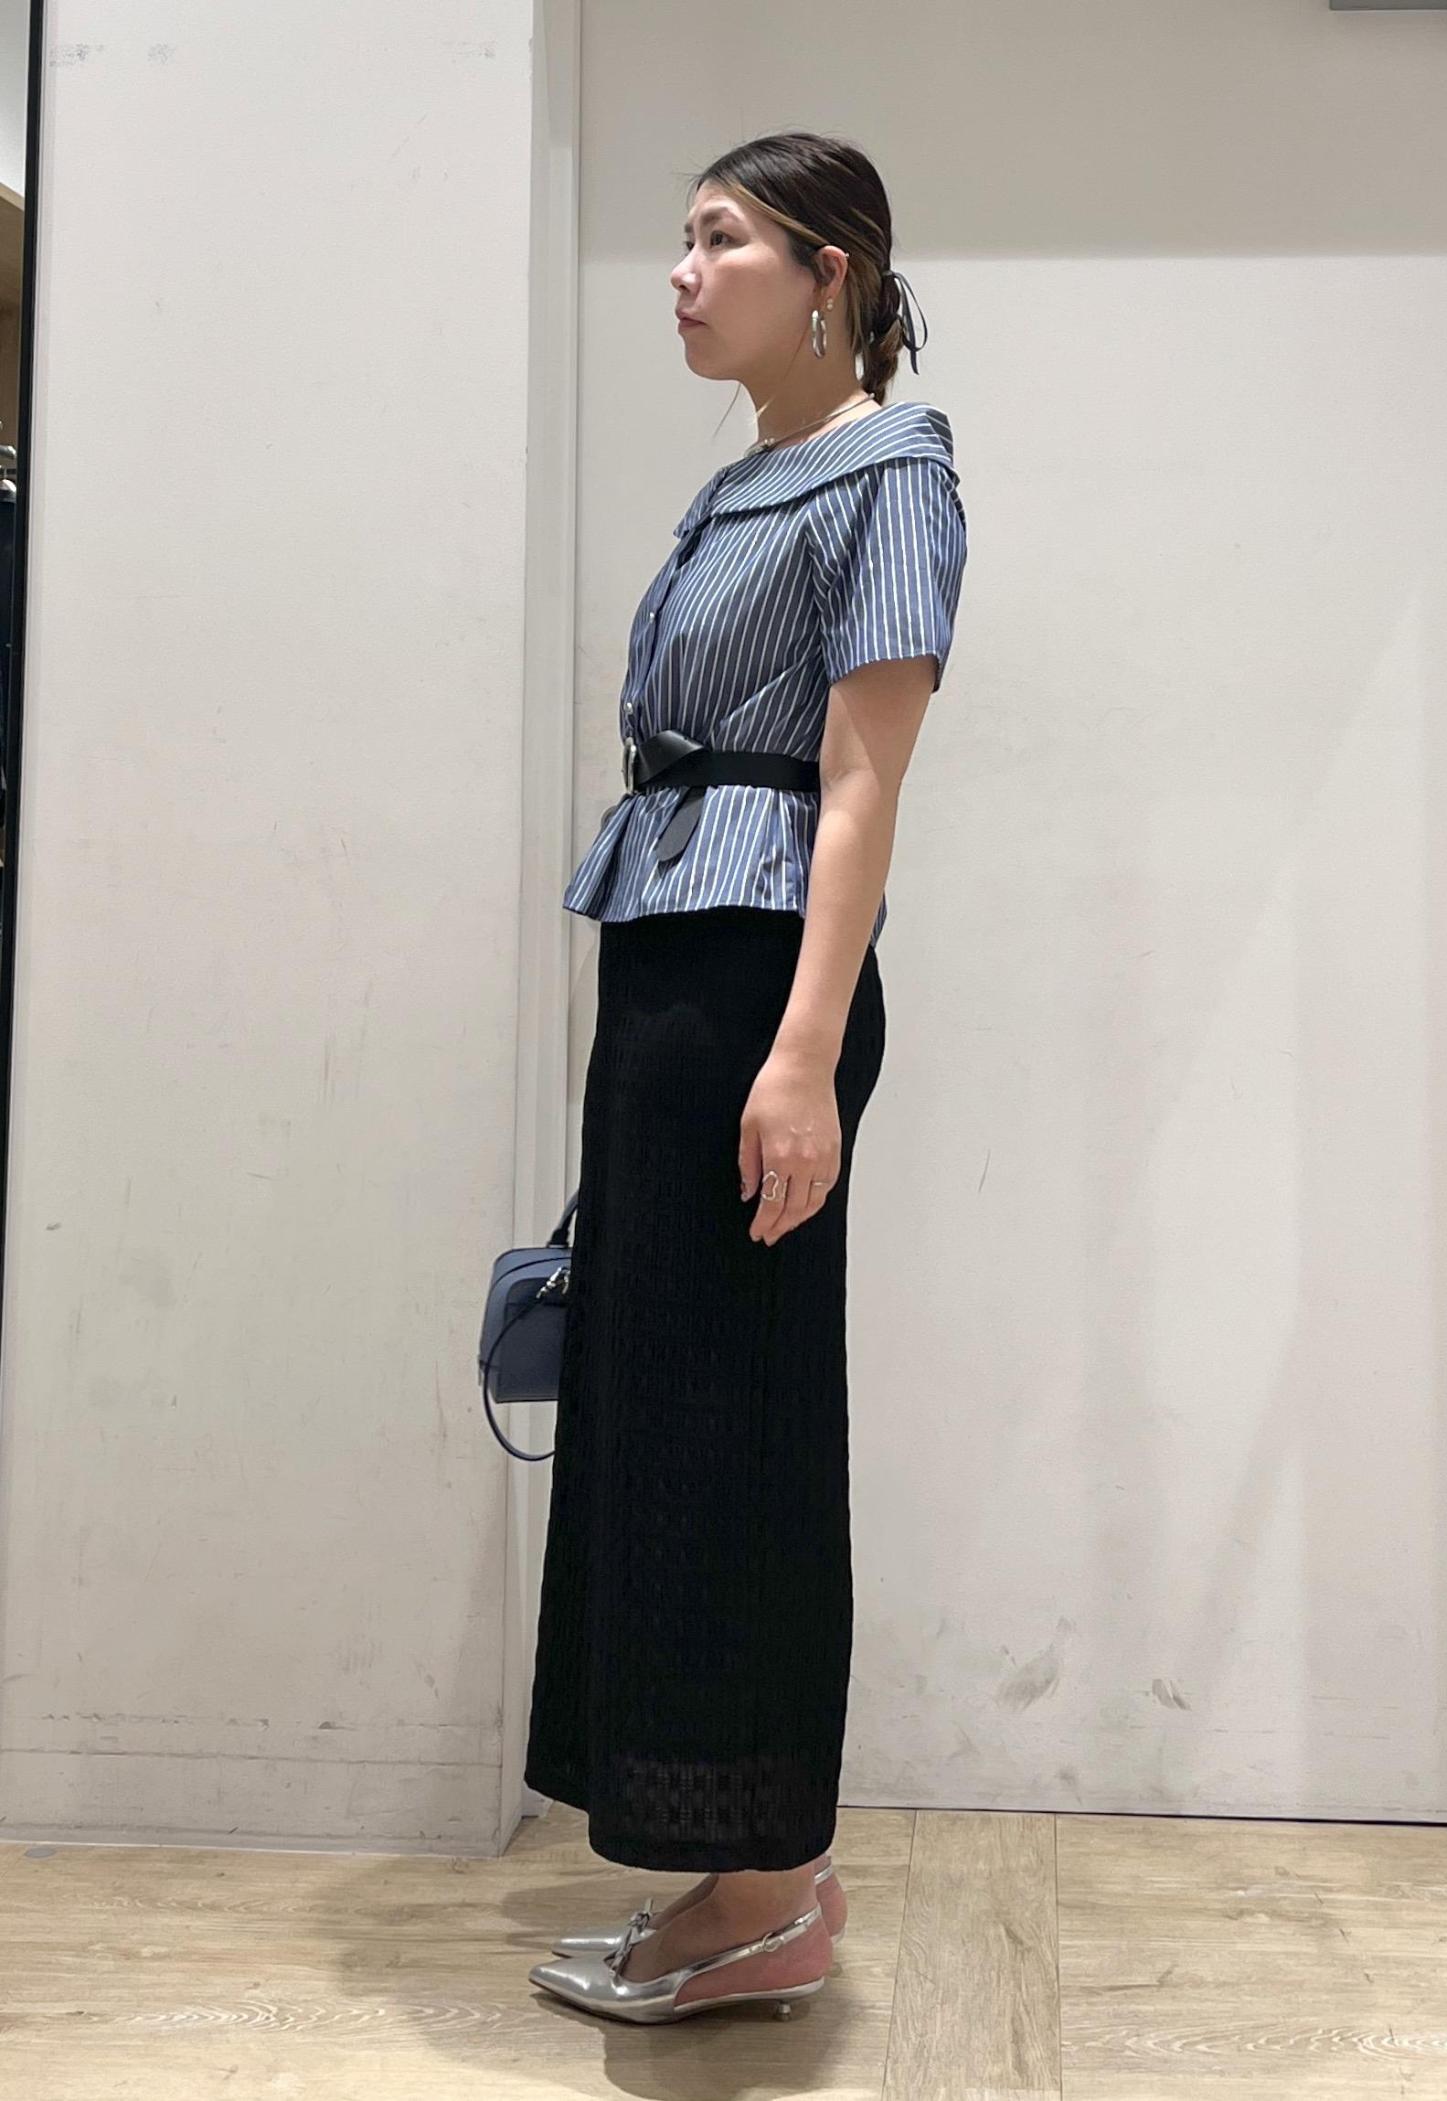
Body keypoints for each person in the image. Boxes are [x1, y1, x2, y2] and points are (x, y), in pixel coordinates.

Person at [524, 128, 969, 2025]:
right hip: (678, 969)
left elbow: (859, 786)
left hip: (760, 991)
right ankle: (740, 1874)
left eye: (721, 240)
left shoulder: (895, 470)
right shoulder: (746, 484)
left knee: (739, 1427)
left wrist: (801, 1058)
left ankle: (771, 1882)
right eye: (684, 240)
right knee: (667, 1418)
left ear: (828, 273)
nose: (684, 274)